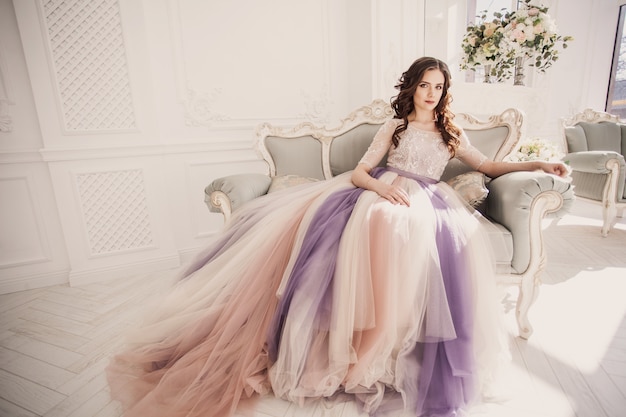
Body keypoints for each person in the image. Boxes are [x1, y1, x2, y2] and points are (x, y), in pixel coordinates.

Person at [106, 57, 569, 417]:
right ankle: (361, 344)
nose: (431, 93)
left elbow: (487, 166)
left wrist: (536, 164)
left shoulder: (451, 130)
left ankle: (399, 346)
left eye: (439, 86)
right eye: (425, 84)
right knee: (383, 224)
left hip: (429, 197)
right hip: (382, 189)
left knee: (432, 233)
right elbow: (362, 171)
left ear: (446, 91)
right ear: (413, 87)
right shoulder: (397, 126)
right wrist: (384, 188)